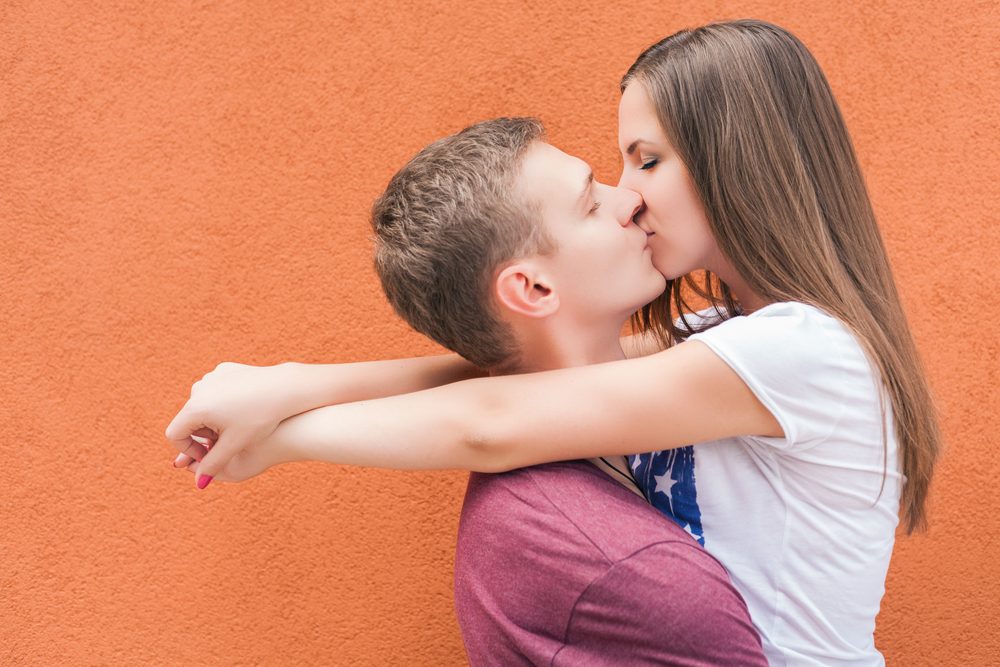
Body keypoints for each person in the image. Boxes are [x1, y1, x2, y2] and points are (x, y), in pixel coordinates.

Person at [167, 20, 941, 666]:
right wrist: (293, 382)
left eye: (648, 159)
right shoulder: (723, 339)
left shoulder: (801, 351)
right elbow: (489, 379)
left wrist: (285, 439)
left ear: (735, 162)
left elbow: (493, 420)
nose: (629, 194)